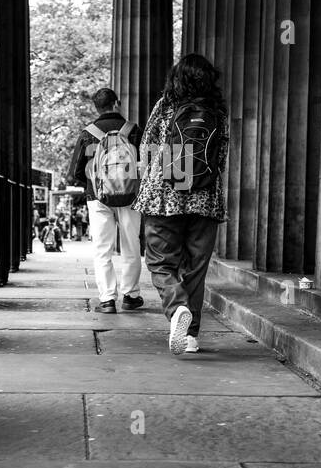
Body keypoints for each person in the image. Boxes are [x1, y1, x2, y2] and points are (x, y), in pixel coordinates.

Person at [134, 53, 229, 354]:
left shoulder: (165, 107)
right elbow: (222, 159)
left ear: (177, 78)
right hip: (205, 199)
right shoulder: (218, 112)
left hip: (164, 196)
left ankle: (176, 310)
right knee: (196, 268)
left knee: (161, 262)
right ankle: (191, 337)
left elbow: (147, 147)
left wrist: (152, 178)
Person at [67, 87, 143, 314]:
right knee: (132, 245)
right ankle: (131, 296)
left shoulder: (88, 133)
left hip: (98, 197)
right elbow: (149, 161)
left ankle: (108, 299)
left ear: (96, 108)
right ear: (116, 103)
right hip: (131, 196)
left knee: (102, 249)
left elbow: (74, 172)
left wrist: (93, 184)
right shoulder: (133, 130)